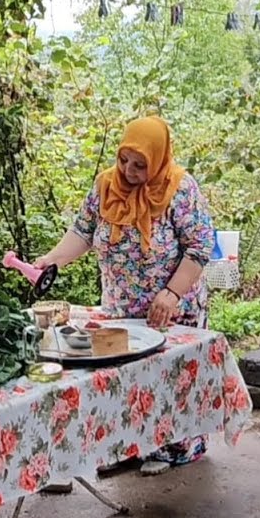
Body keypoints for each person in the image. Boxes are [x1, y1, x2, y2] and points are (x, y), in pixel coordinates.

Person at [36, 115, 216, 475]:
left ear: (159, 158)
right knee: (124, 380)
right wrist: (51, 259)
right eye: (123, 161)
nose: (129, 171)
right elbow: (83, 233)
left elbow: (200, 247)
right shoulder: (106, 185)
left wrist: (171, 292)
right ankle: (129, 446)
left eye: (140, 164)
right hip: (120, 306)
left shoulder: (180, 188)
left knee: (169, 379)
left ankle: (174, 448)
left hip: (170, 307)